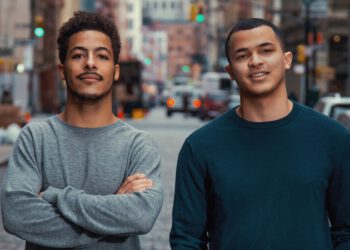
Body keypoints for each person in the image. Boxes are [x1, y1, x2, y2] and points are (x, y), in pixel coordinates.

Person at [170, 18, 350, 250]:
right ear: (230, 71)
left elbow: (346, 231)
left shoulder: (332, 138)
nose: (255, 61)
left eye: (265, 51)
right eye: (242, 55)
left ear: (286, 60)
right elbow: (187, 239)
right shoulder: (200, 147)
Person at [1, 11, 163, 250]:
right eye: (78, 55)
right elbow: (17, 215)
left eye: (102, 56)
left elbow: (140, 216)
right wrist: (113, 215)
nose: (90, 62)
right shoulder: (35, 138)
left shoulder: (138, 144)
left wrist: (55, 197)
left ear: (115, 71)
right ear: (61, 70)